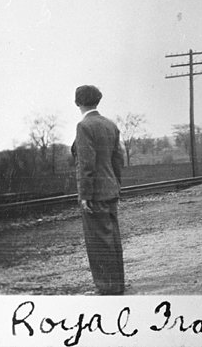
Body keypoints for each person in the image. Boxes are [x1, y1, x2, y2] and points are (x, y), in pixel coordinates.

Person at [73, 84, 126, 295]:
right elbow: (118, 159)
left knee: (97, 242)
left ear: (77, 102)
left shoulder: (84, 127)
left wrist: (84, 195)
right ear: (98, 100)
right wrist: (116, 185)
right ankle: (118, 283)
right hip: (111, 191)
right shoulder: (110, 125)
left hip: (94, 194)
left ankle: (106, 287)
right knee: (112, 239)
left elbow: (86, 164)